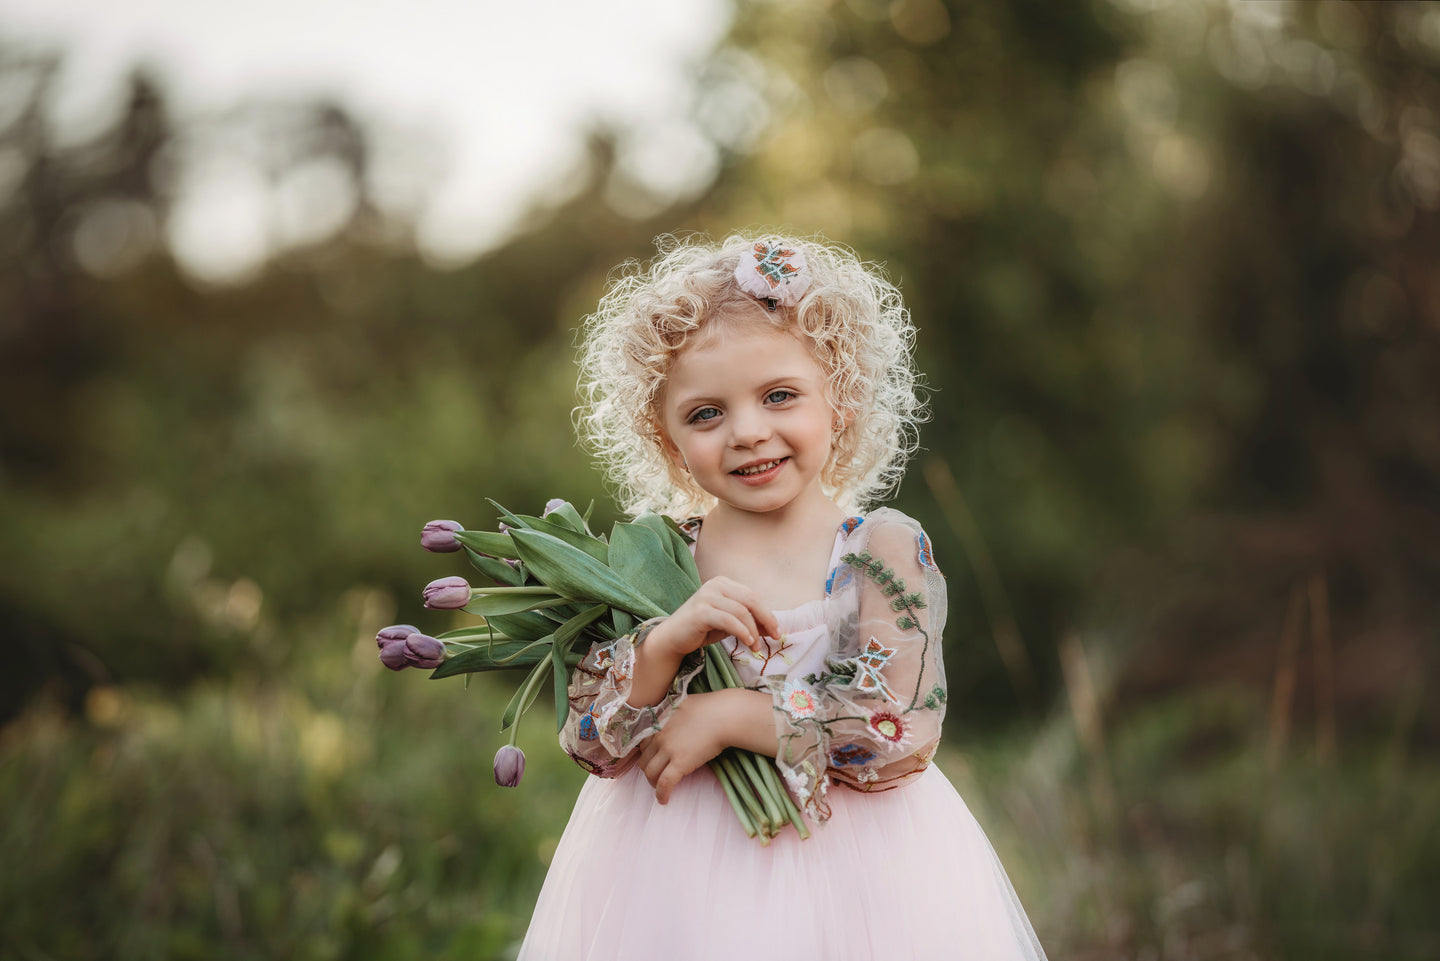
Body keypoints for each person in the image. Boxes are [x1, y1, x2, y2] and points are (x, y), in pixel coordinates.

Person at [517, 234, 1048, 960]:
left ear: (843, 400)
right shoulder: (660, 557)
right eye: (705, 414)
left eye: (779, 395)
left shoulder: (879, 551)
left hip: (863, 869)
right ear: (668, 441)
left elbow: (900, 726)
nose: (747, 431)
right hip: (675, 875)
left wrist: (736, 713)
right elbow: (589, 739)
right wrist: (665, 643)